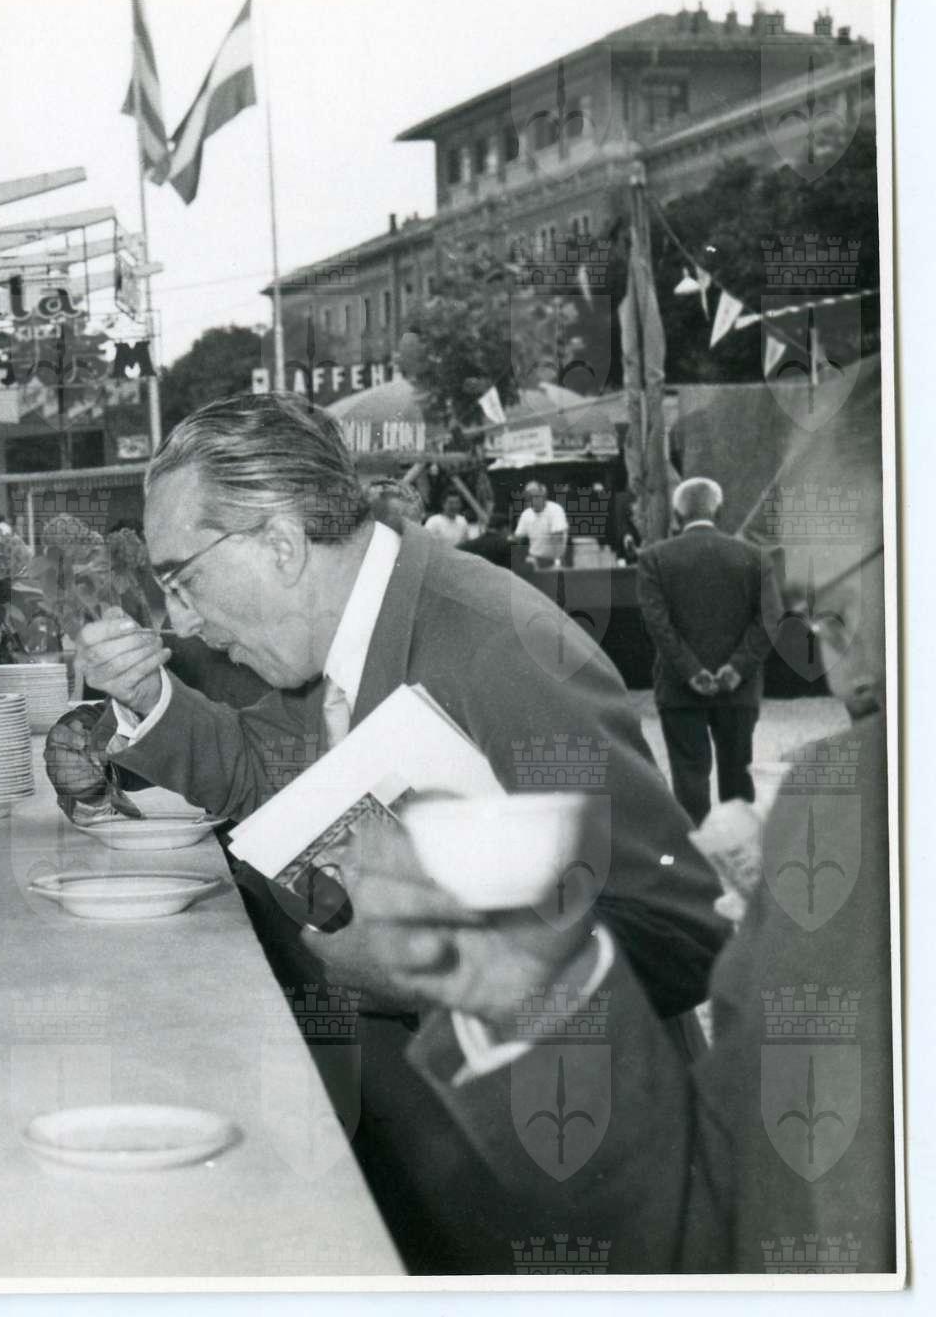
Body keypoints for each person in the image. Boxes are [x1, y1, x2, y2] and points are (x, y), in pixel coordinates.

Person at [72, 393, 724, 1272]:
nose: (181, 620)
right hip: (438, 1130)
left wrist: (436, 960)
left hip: (557, 1174)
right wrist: (149, 698)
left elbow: (679, 928)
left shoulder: (498, 644)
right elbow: (262, 769)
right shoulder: (340, 633)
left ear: (280, 543)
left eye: (182, 578)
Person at [341, 396, 891, 1273]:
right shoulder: (835, 817)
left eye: (839, 614)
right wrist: (541, 995)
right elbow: (718, 1211)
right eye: (816, 622)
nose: (841, 673)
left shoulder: (845, 802)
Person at [636, 476, 784, 824]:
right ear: (719, 511)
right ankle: (739, 849)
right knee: (738, 782)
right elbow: (771, 619)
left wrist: (691, 670)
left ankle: (698, 852)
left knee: (689, 782)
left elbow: (657, 624)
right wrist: (736, 667)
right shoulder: (755, 557)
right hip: (739, 690)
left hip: (679, 688)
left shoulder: (654, 558)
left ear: (677, 514)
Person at [512, 479, 569, 568]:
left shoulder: (555, 510)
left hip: (554, 560)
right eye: (529, 497)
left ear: (543, 495)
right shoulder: (526, 514)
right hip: (534, 560)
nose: (533, 499)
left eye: (536, 496)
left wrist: (557, 562)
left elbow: (558, 538)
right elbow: (518, 538)